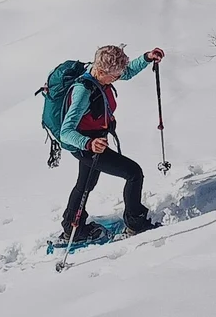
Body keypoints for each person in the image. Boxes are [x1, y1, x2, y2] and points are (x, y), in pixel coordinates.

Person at [57, 44, 165, 243]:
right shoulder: (83, 90)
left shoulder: (99, 74)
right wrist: (88, 143)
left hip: (95, 140)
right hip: (88, 145)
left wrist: (147, 57)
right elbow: (65, 132)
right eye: (115, 76)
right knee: (133, 173)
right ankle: (136, 223)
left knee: (86, 183)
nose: (118, 78)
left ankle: (72, 227)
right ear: (102, 71)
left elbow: (128, 72)